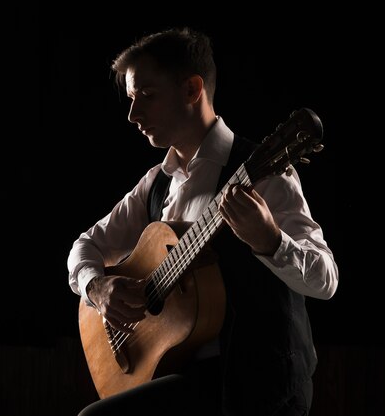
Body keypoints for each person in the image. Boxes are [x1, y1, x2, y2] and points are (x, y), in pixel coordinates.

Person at [66, 26, 338, 416]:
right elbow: (83, 247)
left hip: (260, 386)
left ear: (192, 89)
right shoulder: (157, 183)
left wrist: (271, 241)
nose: (132, 114)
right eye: (130, 99)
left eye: (146, 95)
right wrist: (98, 288)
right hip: (188, 378)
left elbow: (326, 279)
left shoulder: (265, 174)